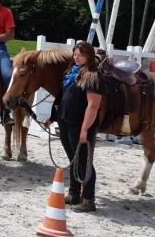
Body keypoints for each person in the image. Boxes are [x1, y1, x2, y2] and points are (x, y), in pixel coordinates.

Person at [44, 41, 103, 213]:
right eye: (75, 54)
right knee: (73, 159)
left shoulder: (92, 76)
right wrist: (53, 117)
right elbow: (62, 97)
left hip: (79, 125)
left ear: (89, 56)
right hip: (65, 121)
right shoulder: (71, 73)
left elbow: (93, 106)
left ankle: (88, 199)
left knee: (84, 162)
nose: (77, 58)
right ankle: (74, 194)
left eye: (81, 55)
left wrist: (85, 129)